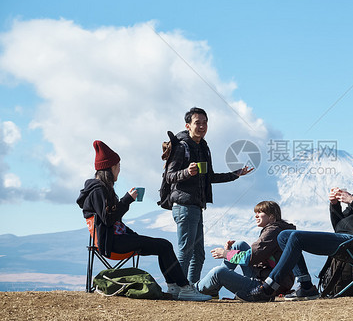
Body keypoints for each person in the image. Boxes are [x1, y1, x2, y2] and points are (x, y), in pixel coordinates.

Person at [236, 154, 353, 302]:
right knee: (284, 235)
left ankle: (269, 286)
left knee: (295, 237)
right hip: (343, 238)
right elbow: (339, 226)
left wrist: (352, 201)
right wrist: (335, 205)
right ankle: (306, 286)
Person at [77, 140, 211, 301]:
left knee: (163, 246)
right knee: (164, 246)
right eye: (118, 166)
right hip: (113, 244)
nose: (119, 170)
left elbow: (111, 219)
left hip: (115, 239)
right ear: (110, 168)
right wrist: (127, 199)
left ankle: (176, 287)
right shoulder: (98, 190)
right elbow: (108, 219)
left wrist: (132, 231)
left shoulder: (98, 189)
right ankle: (183, 287)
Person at [165, 107, 253, 283]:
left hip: (196, 206)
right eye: (198, 122)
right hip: (184, 206)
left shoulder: (203, 147)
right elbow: (169, 176)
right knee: (186, 252)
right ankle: (178, 288)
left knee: (198, 255)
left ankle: (192, 288)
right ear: (188, 125)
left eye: (205, 123)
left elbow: (209, 177)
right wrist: (186, 172)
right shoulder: (181, 147)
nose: (202, 126)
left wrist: (235, 174)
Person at [195, 201, 296, 298]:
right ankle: (212, 290)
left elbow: (250, 257)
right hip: (273, 279)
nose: (256, 216)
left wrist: (226, 253)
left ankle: (194, 290)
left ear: (272, 216)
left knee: (218, 272)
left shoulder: (273, 232)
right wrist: (230, 252)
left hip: (266, 286)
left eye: (260, 212)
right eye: (255, 213)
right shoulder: (277, 229)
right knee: (239, 245)